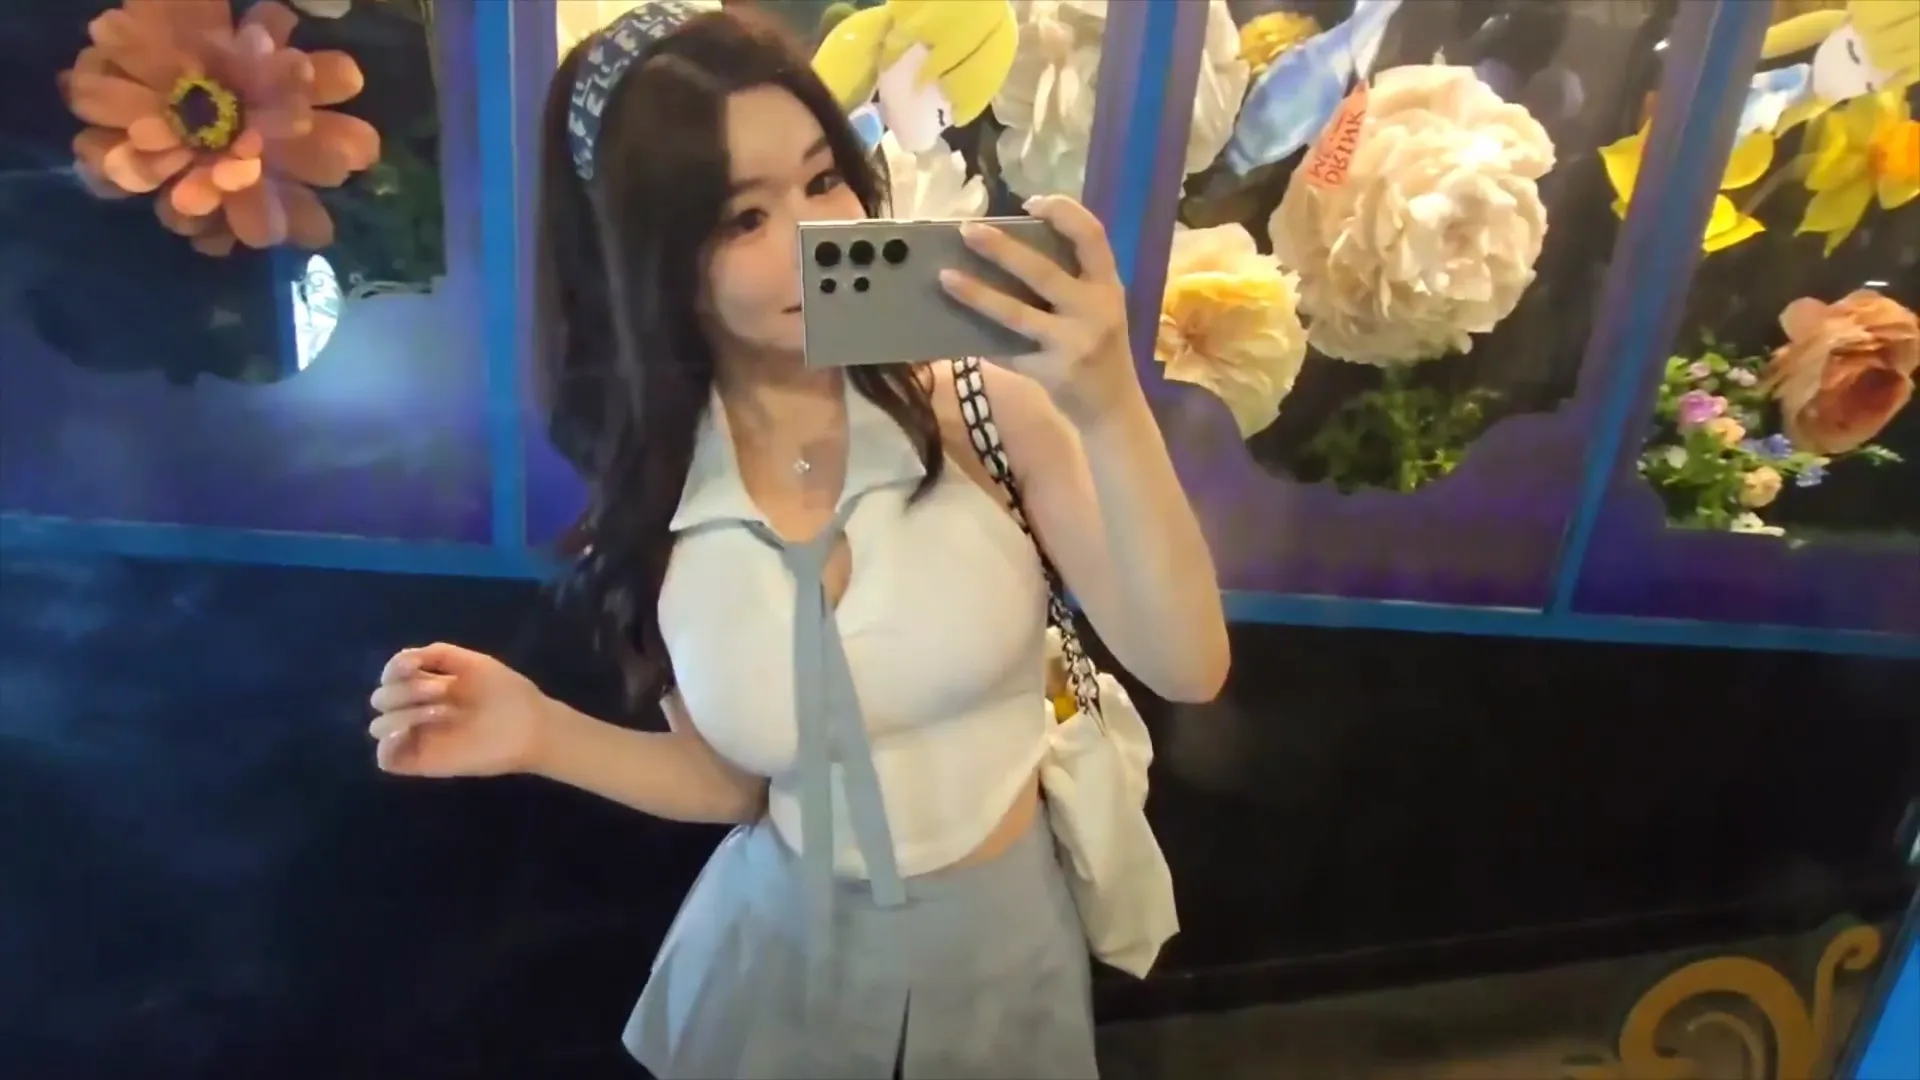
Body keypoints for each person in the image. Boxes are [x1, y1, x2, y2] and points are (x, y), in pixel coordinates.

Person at [365, 3, 1229, 1077]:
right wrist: (539, 732)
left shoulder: (975, 410)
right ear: (649, 257)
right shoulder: (657, 494)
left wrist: (1105, 403)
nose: (813, 239)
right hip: (772, 970)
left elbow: (1188, 664)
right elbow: (733, 786)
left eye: (823, 180)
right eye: (742, 218)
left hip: (1004, 960)